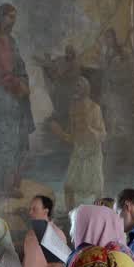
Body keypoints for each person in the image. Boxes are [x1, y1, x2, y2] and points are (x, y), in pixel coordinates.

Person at [0, 3, 35, 202]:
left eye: (14, 17)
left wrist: (22, 84)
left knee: (17, 143)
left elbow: (20, 67)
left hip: (15, 99)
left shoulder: (12, 41)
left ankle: (10, 185)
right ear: (0, 16)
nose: (12, 21)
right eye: (9, 16)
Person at [50, 76, 105, 211]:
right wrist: (59, 133)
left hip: (92, 153)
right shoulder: (73, 109)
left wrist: (89, 129)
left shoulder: (94, 109)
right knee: (69, 186)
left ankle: (100, 215)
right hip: (79, 151)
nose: (76, 88)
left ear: (86, 89)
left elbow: (102, 135)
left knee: (96, 189)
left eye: (79, 85)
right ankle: (70, 216)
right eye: (75, 86)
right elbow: (73, 137)